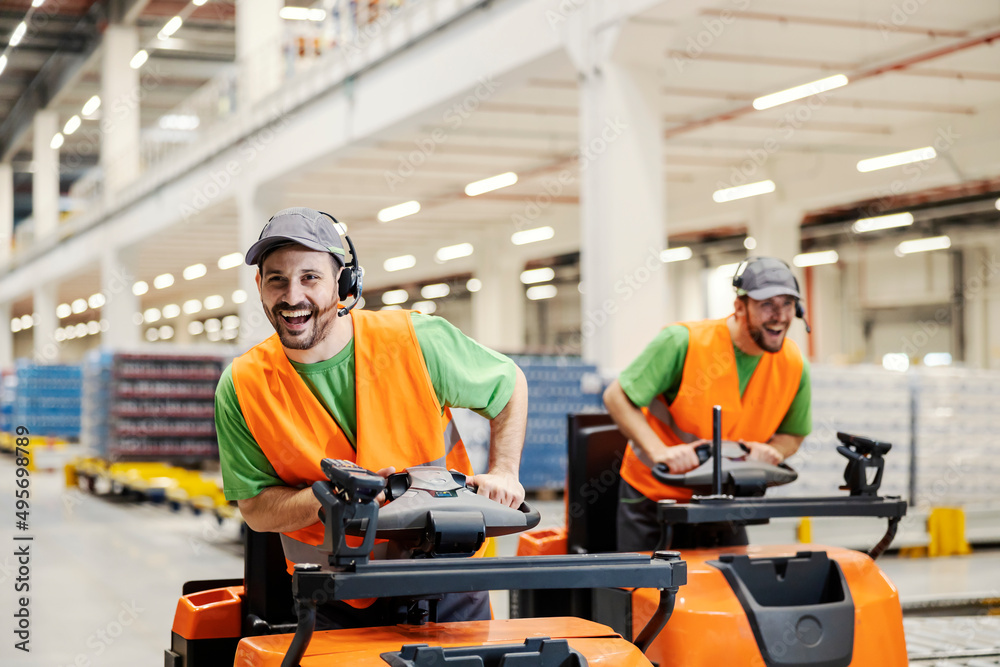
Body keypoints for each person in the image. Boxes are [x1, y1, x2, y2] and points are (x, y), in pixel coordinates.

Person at [214, 207, 527, 627]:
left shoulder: (415, 341)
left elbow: (508, 387)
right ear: (259, 286)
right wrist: (325, 500)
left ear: (343, 284)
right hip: (332, 593)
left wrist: (506, 471)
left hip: (446, 573)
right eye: (277, 279)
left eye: (310, 277)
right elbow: (256, 509)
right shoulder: (242, 385)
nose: (292, 296)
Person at [603, 256, 812, 552]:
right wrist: (660, 452)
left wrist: (775, 450)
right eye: (767, 304)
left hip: (727, 499)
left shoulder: (794, 364)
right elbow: (617, 397)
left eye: (788, 304)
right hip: (654, 497)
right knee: (646, 595)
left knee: (726, 593)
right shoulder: (682, 342)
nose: (779, 316)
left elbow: (794, 433)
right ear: (739, 307)